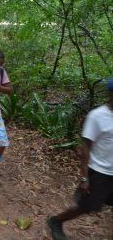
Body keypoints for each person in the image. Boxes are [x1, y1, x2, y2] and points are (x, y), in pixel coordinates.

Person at [47, 79, 113, 240]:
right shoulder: (97, 116)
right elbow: (85, 148)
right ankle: (56, 221)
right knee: (86, 206)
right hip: (99, 171)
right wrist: (84, 177)